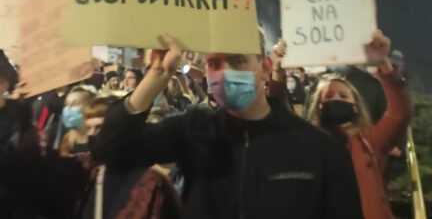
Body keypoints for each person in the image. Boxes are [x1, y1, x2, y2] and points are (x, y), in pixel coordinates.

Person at [92, 33, 364, 219]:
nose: (224, 73)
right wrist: (155, 78)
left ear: (265, 68)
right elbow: (112, 152)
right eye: (214, 64)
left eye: (237, 61)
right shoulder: (194, 129)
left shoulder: (319, 149)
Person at [307, 30, 413, 219]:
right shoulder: (309, 144)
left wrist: (384, 64)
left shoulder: (370, 140)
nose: (336, 100)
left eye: (344, 96)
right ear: (318, 106)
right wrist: (277, 73)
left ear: (356, 106)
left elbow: (399, 113)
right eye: (329, 96)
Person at [56, 86, 96, 153]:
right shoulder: (67, 139)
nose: (68, 108)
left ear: (90, 106)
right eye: (66, 104)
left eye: (74, 104)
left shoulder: (100, 139)